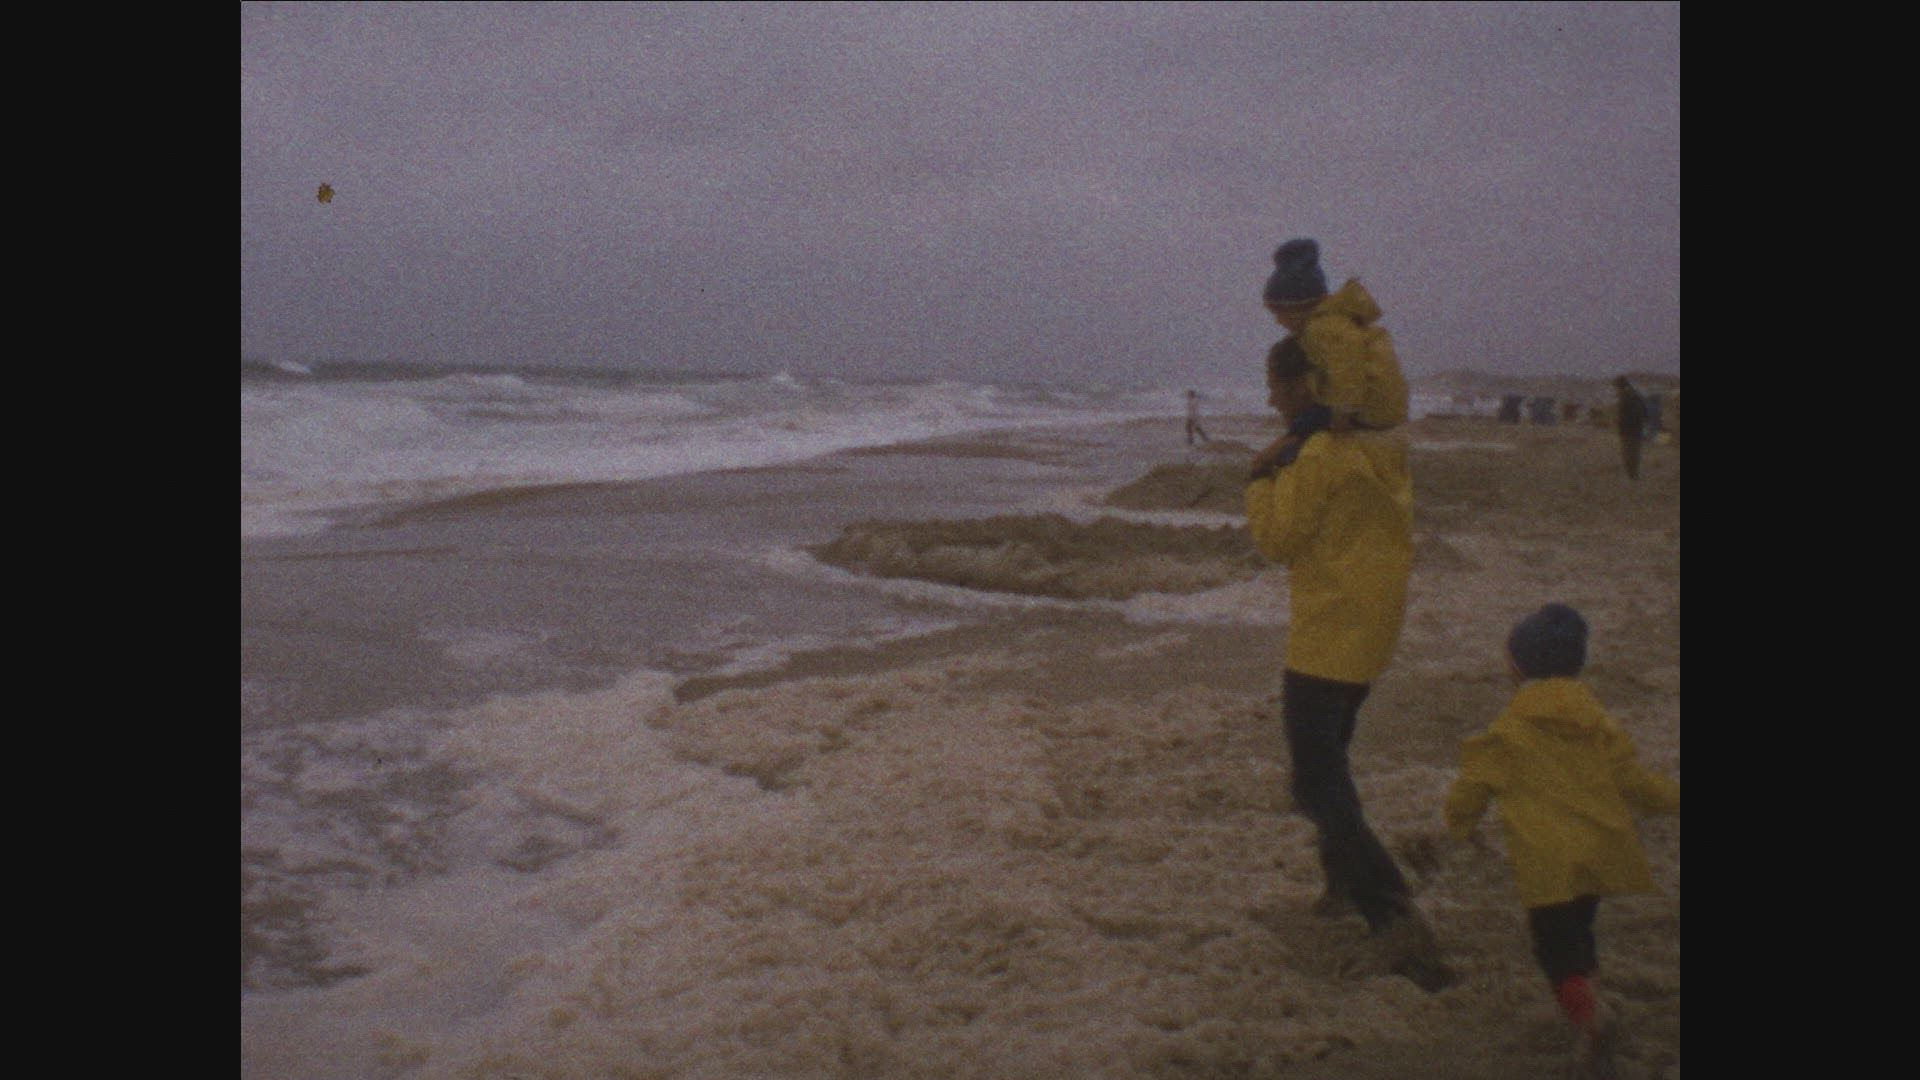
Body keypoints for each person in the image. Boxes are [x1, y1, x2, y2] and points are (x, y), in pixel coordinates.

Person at [1245, 337, 1455, 992]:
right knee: (1330, 761)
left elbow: (1277, 540)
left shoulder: (1317, 456)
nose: (1271, 399)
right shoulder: (1380, 447)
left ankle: (1392, 915)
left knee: (1315, 782)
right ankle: (1340, 885)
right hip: (1371, 629)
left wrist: (1260, 477)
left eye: (1275, 387)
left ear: (1305, 386)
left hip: (1327, 635)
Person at [1444, 603, 1680, 1076]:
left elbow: (1472, 787)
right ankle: (1592, 1000)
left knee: (1554, 950)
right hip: (1598, 853)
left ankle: (1591, 1019)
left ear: (1516, 667)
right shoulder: (1598, 724)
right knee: (1581, 933)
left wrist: (1459, 825)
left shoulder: (1509, 730)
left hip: (1547, 865)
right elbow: (1635, 783)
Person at [1248, 238, 1410, 478]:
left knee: (1308, 432)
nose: (1278, 321)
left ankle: (1286, 455)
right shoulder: (1336, 324)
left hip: (1367, 410)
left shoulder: (1321, 328)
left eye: (1279, 312)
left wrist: (1342, 411)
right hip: (1377, 409)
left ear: (1298, 307)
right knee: (1307, 425)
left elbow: (1347, 366)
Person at [1613, 377, 1648, 480]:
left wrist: (1621, 425)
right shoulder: (1637, 396)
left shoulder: (1625, 398)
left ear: (1621, 387)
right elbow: (1645, 413)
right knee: (1634, 453)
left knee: (1628, 454)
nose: (1616, 390)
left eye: (1616, 388)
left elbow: (1624, 416)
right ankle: (1634, 475)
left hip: (1628, 431)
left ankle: (1632, 476)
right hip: (1637, 430)